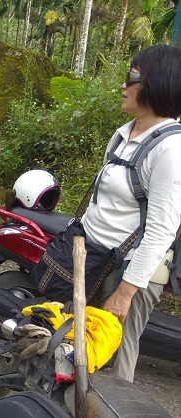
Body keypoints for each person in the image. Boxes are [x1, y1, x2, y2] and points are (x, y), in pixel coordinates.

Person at [83, 45, 181, 382]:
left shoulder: (171, 148)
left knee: (117, 353)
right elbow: (103, 200)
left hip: (130, 272)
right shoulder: (125, 133)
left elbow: (162, 229)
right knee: (82, 341)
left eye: (132, 77)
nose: (123, 85)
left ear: (159, 83)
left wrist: (125, 293)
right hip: (98, 258)